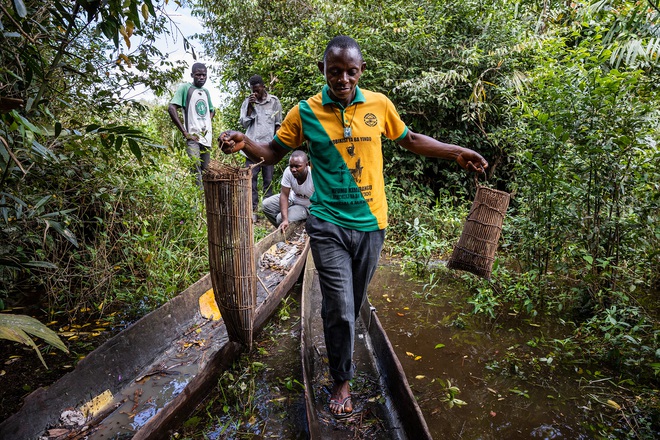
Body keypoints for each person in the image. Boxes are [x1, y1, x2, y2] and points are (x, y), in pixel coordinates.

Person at [218, 36, 488, 419]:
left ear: (360, 72)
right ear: (323, 71)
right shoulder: (304, 112)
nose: (342, 79)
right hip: (327, 223)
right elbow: (272, 153)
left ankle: (341, 355)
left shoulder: (379, 105)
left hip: (372, 225)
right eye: (335, 71)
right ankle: (341, 380)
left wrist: (456, 151)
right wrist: (246, 142)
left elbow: (410, 139)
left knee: (354, 303)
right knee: (340, 309)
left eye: (350, 72)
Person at [239, 75, 283, 221]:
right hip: (251, 148)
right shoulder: (248, 102)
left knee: (268, 181)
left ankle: (268, 211)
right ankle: (252, 212)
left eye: (257, 90)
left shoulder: (274, 102)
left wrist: (276, 146)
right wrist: (251, 107)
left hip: (268, 148)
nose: (255, 93)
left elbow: (278, 124)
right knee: (251, 181)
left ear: (263, 87)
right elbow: (244, 123)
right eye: (253, 91)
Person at [168, 63, 215, 188]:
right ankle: (198, 200)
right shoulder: (185, 88)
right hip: (193, 137)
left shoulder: (205, 92)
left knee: (206, 170)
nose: (201, 77)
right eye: (198, 75)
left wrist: (207, 122)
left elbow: (212, 109)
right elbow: (172, 108)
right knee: (195, 168)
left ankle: (206, 201)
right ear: (192, 75)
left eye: (204, 75)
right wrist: (185, 132)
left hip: (206, 138)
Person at [262, 150, 315, 231]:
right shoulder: (288, 171)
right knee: (266, 205)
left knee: (280, 218)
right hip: (292, 198)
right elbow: (284, 195)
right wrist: (285, 219)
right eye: (291, 166)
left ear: (306, 165)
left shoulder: (313, 176)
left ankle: (296, 223)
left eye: (297, 166)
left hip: (306, 206)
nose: (293, 169)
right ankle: (284, 229)